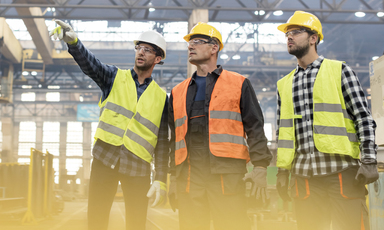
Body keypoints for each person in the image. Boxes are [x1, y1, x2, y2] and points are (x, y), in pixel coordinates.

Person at [50, 20, 169, 230]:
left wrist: (160, 178)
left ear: (157, 59)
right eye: (139, 47)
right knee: (96, 220)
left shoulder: (162, 98)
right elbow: (91, 65)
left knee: (136, 223)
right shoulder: (114, 77)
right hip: (105, 159)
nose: (141, 52)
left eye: (147, 50)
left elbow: (162, 142)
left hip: (138, 167)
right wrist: (74, 43)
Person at [275, 11, 378, 230]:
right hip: (304, 177)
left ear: (313, 38)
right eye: (287, 34)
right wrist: (283, 171)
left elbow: (363, 117)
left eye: (296, 32)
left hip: (341, 172)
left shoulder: (339, 71)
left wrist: (369, 159)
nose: (289, 37)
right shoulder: (284, 84)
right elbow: (283, 133)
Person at [167, 22, 272, 230]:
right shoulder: (178, 91)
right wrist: (173, 177)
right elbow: (175, 138)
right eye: (189, 43)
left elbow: (255, 127)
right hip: (189, 176)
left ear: (214, 47)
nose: (190, 46)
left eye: (196, 41)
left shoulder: (239, 83)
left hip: (226, 175)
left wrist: (260, 167)